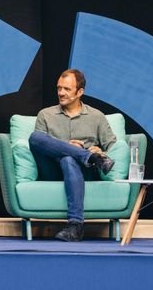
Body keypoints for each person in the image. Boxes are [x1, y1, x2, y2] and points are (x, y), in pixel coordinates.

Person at [28, 69, 117, 242]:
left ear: (80, 92)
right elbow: (39, 144)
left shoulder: (96, 116)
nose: (61, 93)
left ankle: (75, 226)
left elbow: (114, 145)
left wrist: (100, 151)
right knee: (35, 137)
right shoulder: (45, 114)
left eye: (67, 89)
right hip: (52, 170)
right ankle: (86, 156)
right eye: (59, 88)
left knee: (69, 159)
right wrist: (71, 148)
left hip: (84, 173)